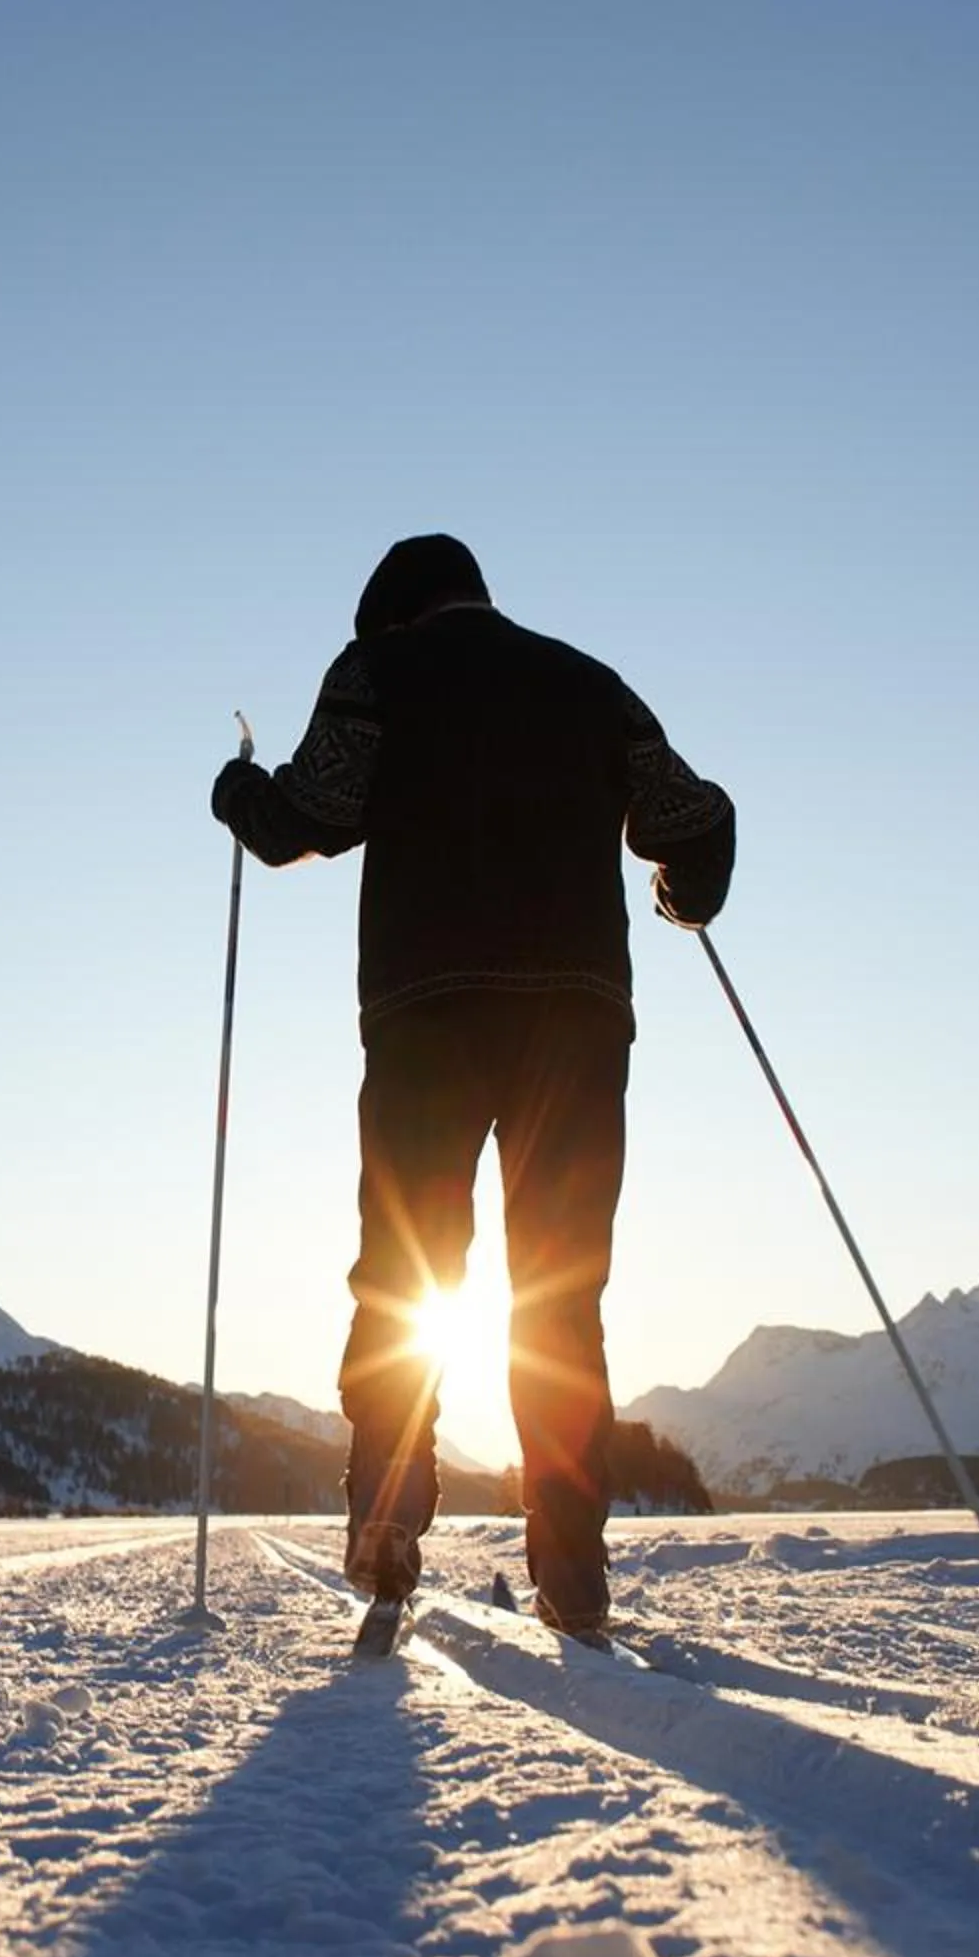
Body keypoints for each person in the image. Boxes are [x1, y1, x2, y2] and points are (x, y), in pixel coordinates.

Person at [211, 534, 734, 1635]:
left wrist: (237, 795)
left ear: (393, 615)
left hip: (427, 1016)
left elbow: (314, 810)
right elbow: (692, 815)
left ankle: (389, 1513)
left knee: (406, 1271)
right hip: (579, 1021)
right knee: (559, 1287)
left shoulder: (378, 673)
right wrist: (685, 892)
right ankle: (573, 1564)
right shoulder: (593, 685)